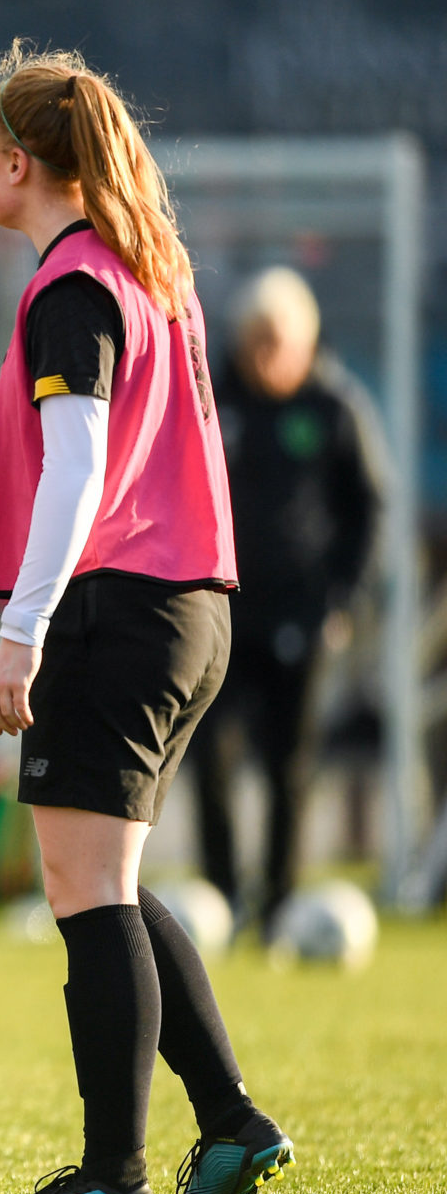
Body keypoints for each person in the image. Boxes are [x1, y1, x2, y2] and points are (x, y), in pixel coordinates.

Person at [0, 41, 294, 1194]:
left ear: (15, 161)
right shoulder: (144, 271)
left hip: (120, 609)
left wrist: (21, 632)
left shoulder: (74, 284)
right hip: (187, 604)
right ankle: (232, 1123)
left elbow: (76, 471)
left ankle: (113, 1180)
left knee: (84, 887)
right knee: (102, 878)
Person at [187, 267, 383, 938]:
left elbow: (368, 506)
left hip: (302, 616)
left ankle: (278, 908)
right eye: (257, 342)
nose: (269, 357)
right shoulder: (211, 401)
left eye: (281, 343)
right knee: (209, 755)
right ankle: (219, 899)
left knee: (288, 766)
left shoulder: (333, 405)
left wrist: (341, 597)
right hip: (220, 615)